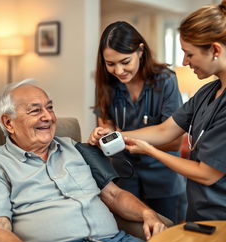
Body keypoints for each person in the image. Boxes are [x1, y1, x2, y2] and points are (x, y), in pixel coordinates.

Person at [0, 79, 167, 242]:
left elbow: (114, 195)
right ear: (8, 122)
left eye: (50, 108)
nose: (48, 117)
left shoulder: (75, 148)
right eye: (35, 110)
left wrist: (146, 213)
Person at [89, 1, 226, 222]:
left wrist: (150, 151)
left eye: (188, 54)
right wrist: (113, 136)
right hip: (200, 208)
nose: (184, 61)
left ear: (215, 50)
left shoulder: (166, 81)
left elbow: (208, 173)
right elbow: (165, 130)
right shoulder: (207, 92)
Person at [93, 21, 186, 223]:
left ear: (140, 51)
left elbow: (175, 141)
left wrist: (121, 136)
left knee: (168, 240)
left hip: (163, 180)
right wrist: (103, 133)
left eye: (125, 61)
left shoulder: (165, 81)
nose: (118, 71)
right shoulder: (106, 83)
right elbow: (107, 123)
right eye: (110, 64)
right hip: (124, 177)